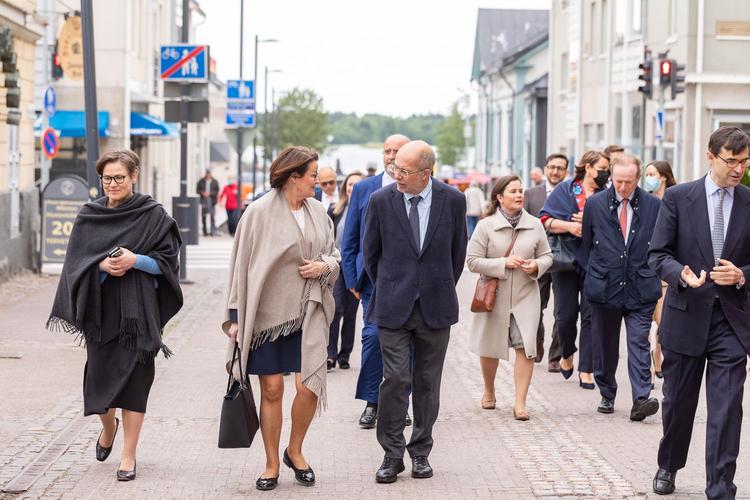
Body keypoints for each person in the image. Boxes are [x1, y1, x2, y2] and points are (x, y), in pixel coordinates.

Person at [47, 149, 183, 481]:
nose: (112, 184)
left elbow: (167, 263)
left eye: (118, 177)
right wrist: (102, 266)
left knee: (136, 385)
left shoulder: (153, 215)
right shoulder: (88, 216)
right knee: (99, 388)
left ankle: (128, 456)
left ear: (133, 176)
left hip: (139, 316)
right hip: (101, 312)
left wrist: (136, 260)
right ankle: (108, 427)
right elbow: (75, 265)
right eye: (106, 178)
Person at [222, 146, 340, 492]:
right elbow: (239, 264)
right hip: (267, 315)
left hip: (310, 310)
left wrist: (325, 266)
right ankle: (272, 463)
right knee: (271, 389)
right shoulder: (258, 212)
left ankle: (295, 449)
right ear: (294, 176)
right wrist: (234, 318)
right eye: (313, 175)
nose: (318, 181)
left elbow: (334, 255)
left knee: (308, 386)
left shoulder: (319, 211)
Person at [649, 126, 750, 498]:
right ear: (711, 156)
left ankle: (720, 487)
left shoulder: (749, 201)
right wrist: (680, 274)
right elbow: (657, 254)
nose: (739, 169)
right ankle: (668, 465)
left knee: (727, 412)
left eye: (744, 161)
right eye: (731, 161)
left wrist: (742, 274)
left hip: (731, 323)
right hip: (686, 314)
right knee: (678, 405)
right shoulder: (678, 197)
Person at [364, 140, 467, 484]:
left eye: (404, 171)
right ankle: (391, 455)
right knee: (395, 379)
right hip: (393, 306)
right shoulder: (381, 200)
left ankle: (420, 451)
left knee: (427, 383)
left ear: (426, 173)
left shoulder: (453, 200)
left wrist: (434, 285)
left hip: (435, 306)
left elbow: (457, 254)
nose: (396, 175)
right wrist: (393, 287)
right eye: (394, 168)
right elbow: (371, 255)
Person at [580, 154, 662, 421]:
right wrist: (593, 275)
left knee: (639, 341)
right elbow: (586, 246)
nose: (623, 187)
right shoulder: (595, 204)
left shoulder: (653, 206)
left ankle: (641, 398)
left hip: (640, 285)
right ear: (612, 177)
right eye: (618, 181)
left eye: (628, 182)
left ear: (637, 179)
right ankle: (607, 392)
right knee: (605, 345)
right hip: (605, 286)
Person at [467, 175, 552, 419]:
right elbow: (472, 261)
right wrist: (503, 263)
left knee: (526, 347)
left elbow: (548, 255)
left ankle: (520, 403)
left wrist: (536, 265)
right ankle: (489, 390)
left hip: (526, 296)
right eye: (513, 191)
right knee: (490, 347)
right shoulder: (485, 226)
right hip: (495, 296)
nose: (518, 195)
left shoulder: (535, 224)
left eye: (520, 191)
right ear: (499, 197)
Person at [341, 134, 411, 429]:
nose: (392, 156)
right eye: (387, 151)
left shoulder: (419, 189)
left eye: (398, 151)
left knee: (406, 342)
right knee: (373, 337)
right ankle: (372, 401)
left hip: (408, 280)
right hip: (371, 279)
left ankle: (399, 404)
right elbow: (350, 238)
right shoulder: (364, 189)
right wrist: (350, 278)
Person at [540, 150, 610, 389]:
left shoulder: (607, 194)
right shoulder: (567, 189)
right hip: (566, 262)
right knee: (566, 316)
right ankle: (567, 352)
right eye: (602, 168)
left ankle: (587, 368)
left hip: (595, 263)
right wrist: (571, 226)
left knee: (591, 317)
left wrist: (592, 224)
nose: (605, 173)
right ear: (588, 168)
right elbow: (546, 220)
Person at [524, 153, 568, 370]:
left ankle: (555, 356)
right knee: (535, 308)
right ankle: (537, 344)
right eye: (552, 167)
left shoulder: (571, 194)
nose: (555, 172)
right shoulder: (531, 194)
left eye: (560, 168)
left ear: (566, 172)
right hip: (537, 261)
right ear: (545, 168)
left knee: (562, 311)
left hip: (564, 261)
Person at [327, 171, 365, 370]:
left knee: (351, 313)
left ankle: (345, 355)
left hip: (356, 269)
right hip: (337, 266)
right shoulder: (335, 209)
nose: (352, 188)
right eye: (349, 184)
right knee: (335, 309)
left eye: (356, 184)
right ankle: (330, 354)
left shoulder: (367, 208)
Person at [643, 160, 677, 380]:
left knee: (664, 325)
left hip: (665, 276)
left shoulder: (676, 200)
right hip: (645, 273)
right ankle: (648, 366)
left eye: (652, 174)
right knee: (642, 326)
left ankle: (659, 355)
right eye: (646, 174)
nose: (649, 178)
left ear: (663, 176)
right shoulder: (644, 202)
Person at [196, 170, 220, 236]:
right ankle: (205, 232)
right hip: (204, 200)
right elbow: (197, 190)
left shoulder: (215, 181)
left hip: (212, 200)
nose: (208, 175)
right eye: (207, 174)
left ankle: (213, 232)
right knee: (204, 216)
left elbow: (217, 191)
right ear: (206, 174)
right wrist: (202, 193)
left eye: (209, 174)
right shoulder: (201, 181)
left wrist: (210, 193)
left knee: (212, 216)